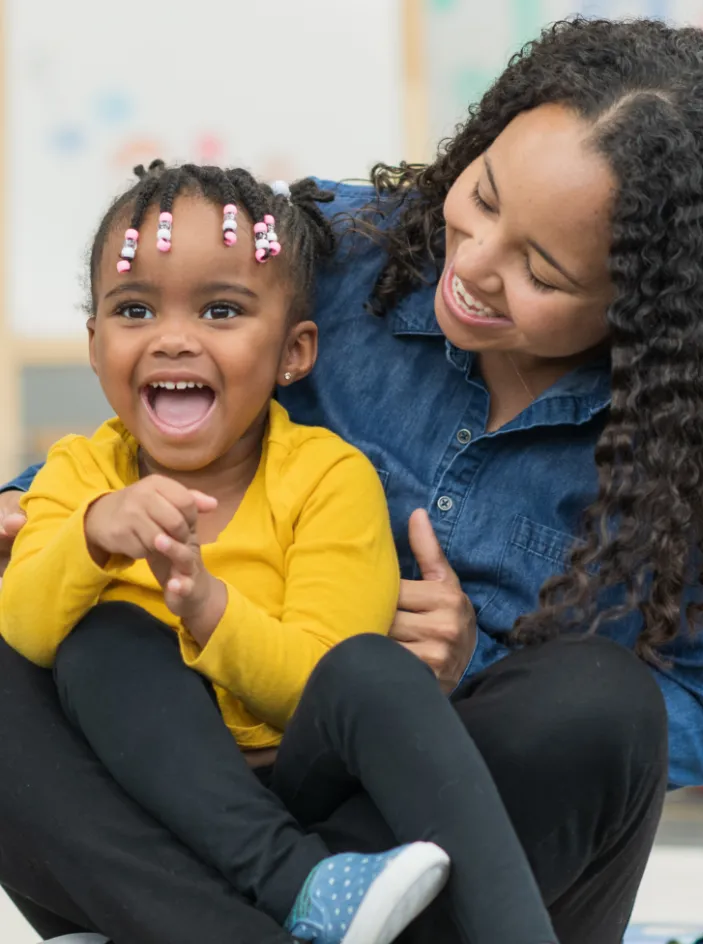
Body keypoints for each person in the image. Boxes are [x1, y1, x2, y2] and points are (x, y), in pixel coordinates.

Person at [3, 13, 703, 944]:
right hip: (192, 789)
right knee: (77, 640)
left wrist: (477, 667)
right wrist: (28, 504)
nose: (470, 264)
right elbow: (145, 418)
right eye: (481, 197)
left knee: (598, 702)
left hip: (447, 816)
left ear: (641, 308)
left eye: (541, 271)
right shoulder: (334, 254)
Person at [0, 160, 559, 944]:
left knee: (377, 671)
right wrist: (91, 534)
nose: (173, 339)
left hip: (298, 783)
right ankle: (296, 888)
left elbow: (318, 684)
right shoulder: (78, 474)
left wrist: (208, 608)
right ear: (95, 347)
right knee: (102, 642)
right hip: (139, 809)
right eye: (133, 309)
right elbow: (20, 629)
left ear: (294, 353)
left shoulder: (329, 477)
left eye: (221, 310)